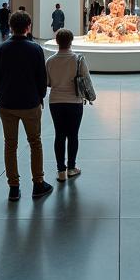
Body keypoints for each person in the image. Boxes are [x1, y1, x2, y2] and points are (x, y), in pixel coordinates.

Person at [0, 10, 52, 201]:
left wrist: (1, 94)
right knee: (35, 143)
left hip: (7, 104)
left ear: (10, 26)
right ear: (28, 27)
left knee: (10, 145)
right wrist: (40, 96)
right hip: (30, 103)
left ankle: (13, 187)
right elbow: (42, 78)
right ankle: (38, 183)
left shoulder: (1, 49)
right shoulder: (35, 49)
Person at [46, 28, 92, 181]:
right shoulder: (78, 60)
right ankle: (71, 168)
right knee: (73, 135)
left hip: (56, 102)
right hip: (74, 101)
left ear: (57, 41)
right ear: (71, 41)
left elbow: (47, 82)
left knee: (59, 135)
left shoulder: (50, 61)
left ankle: (60, 170)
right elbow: (86, 80)